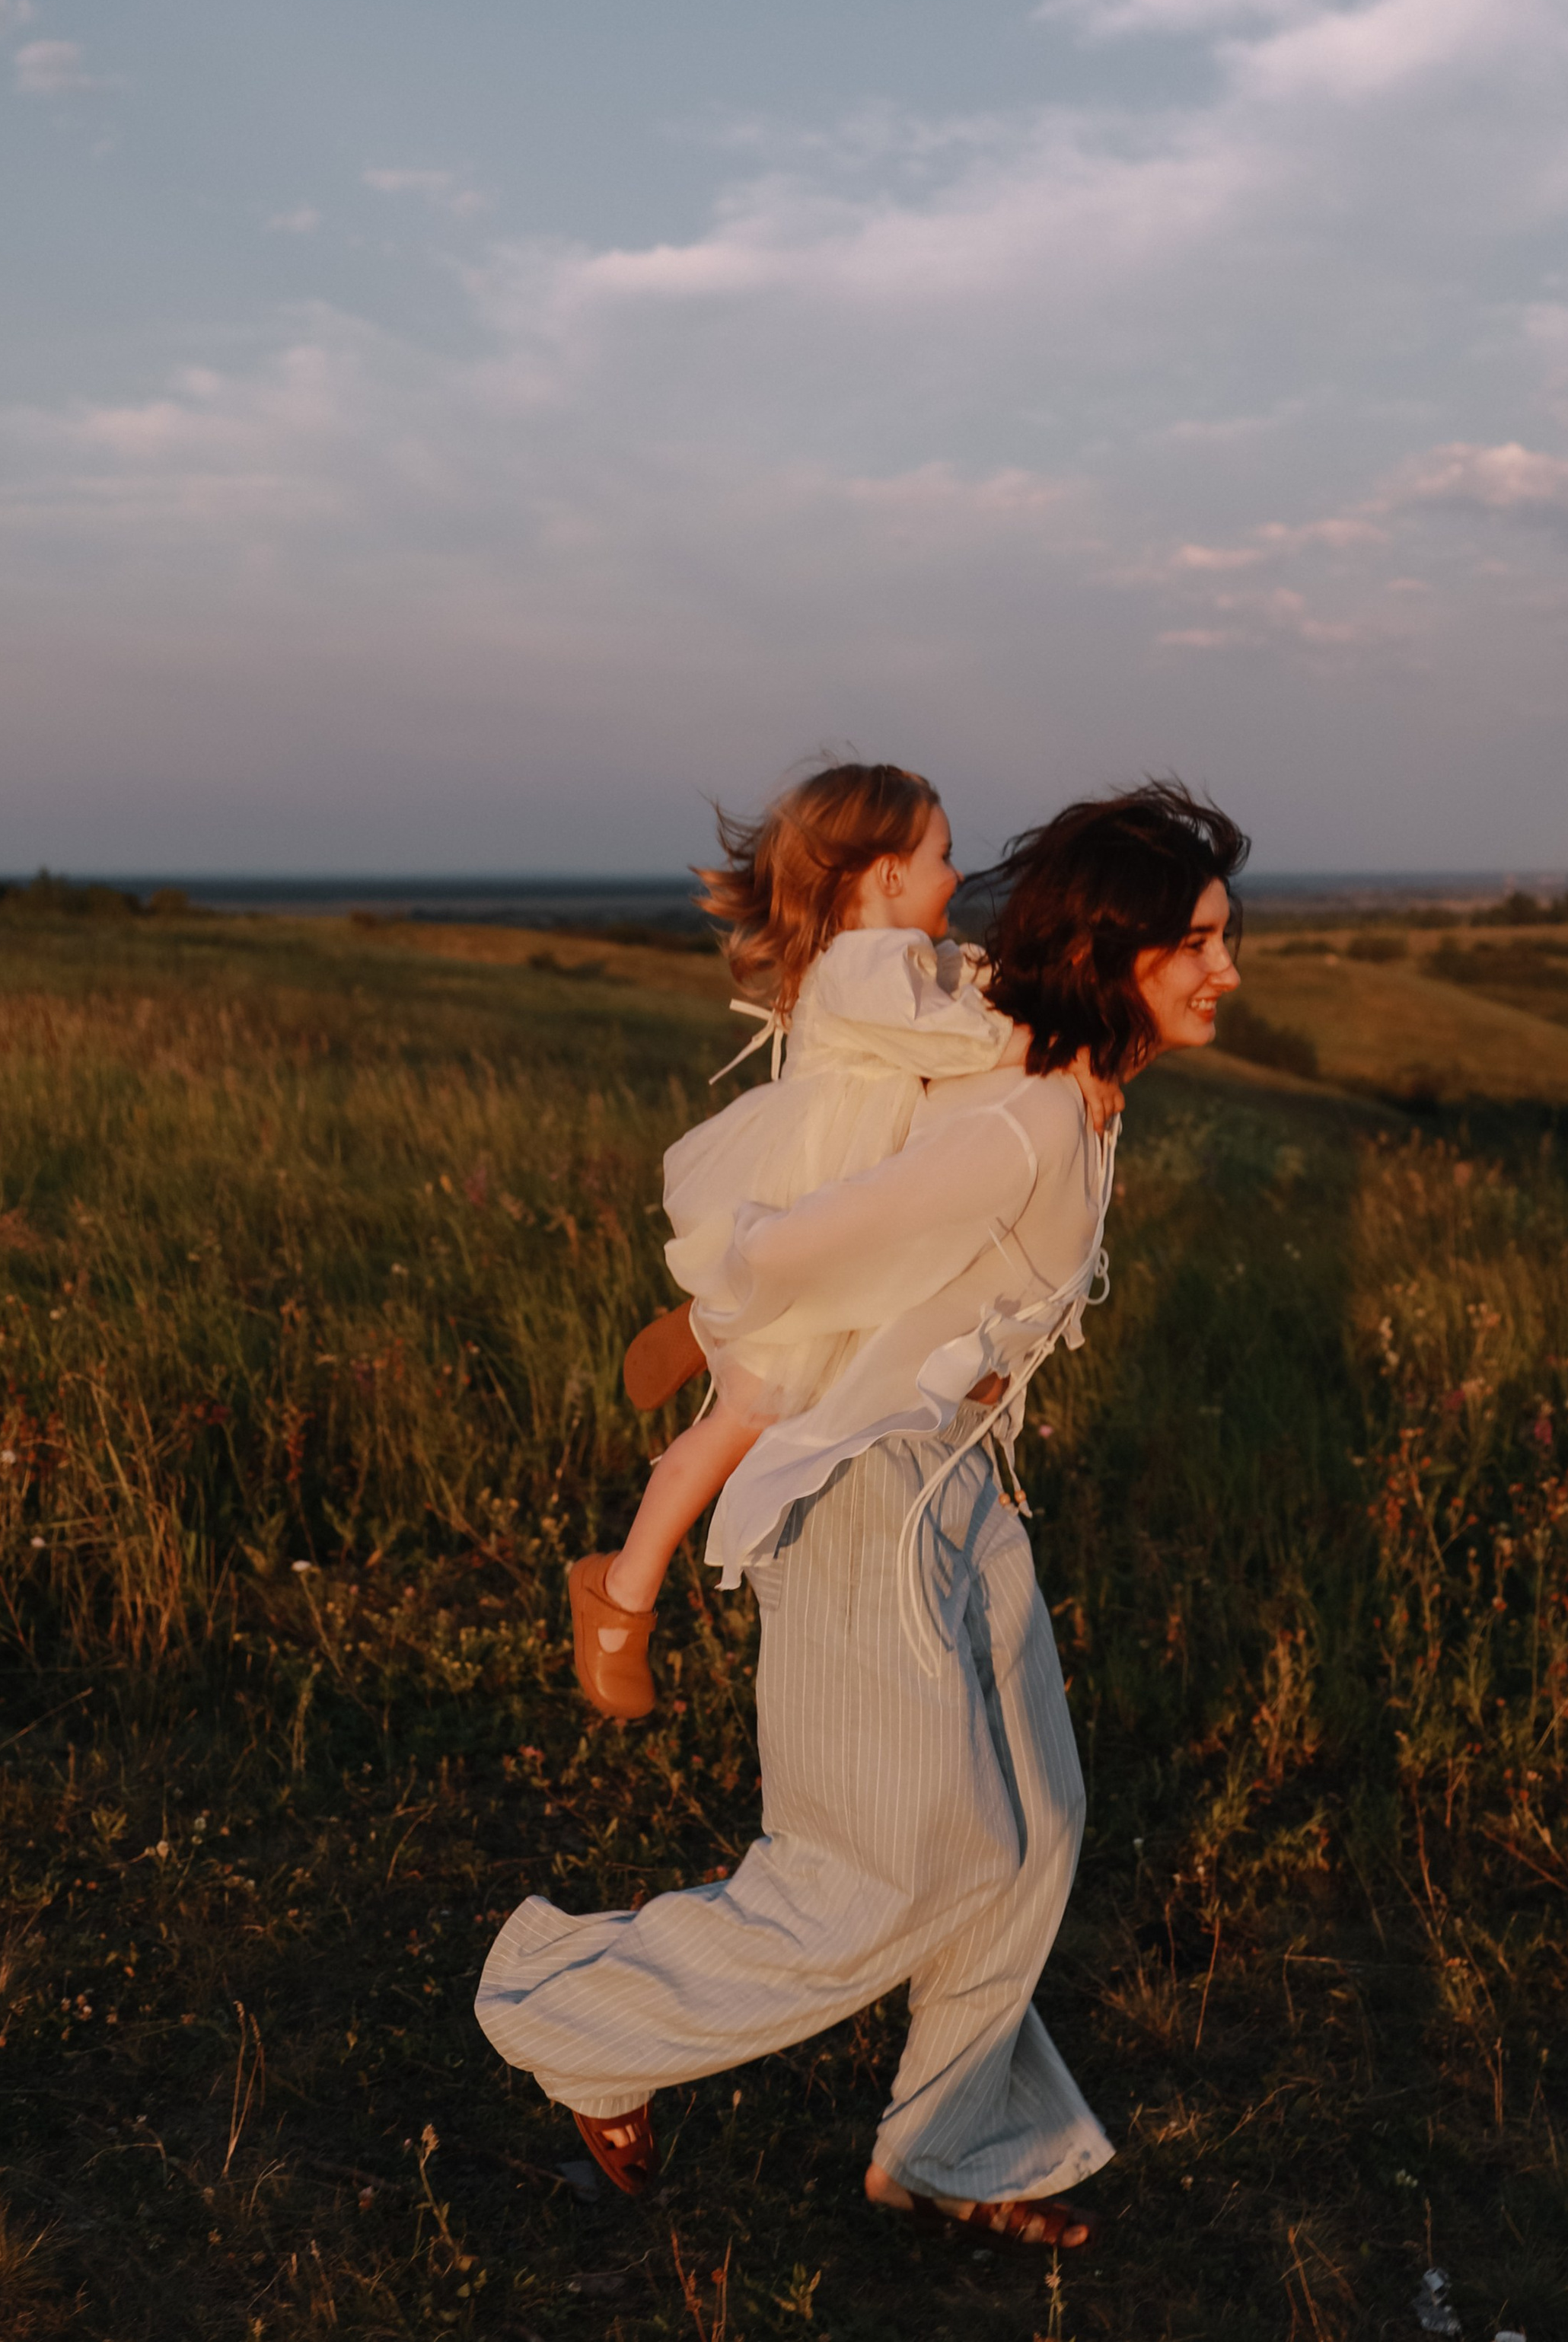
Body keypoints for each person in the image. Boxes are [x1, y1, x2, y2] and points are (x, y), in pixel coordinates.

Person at [477, 781, 1247, 2252]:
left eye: (1226, 935)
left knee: (1035, 1833)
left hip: (963, 1501)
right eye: (1199, 940)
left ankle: (948, 2147)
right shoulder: (1021, 1125)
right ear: (1121, 948)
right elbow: (802, 1240)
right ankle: (581, 2024)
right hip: (862, 1495)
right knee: (882, 1872)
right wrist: (715, 1335)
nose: (1227, 969)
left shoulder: (1067, 1101)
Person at [572, 758, 1115, 1718]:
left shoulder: (899, 961)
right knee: (747, 1414)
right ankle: (620, 1589)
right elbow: (964, 1039)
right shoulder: (866, 969)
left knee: (774, 1365)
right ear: (888, 873)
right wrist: (1066, 1051)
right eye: (941, 856)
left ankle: (708, 1320)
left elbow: (980, 1004)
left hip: (833, 1216)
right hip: (821, 1202)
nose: (958, 874)